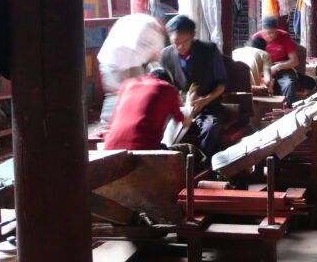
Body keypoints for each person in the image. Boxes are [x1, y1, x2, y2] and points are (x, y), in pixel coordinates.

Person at [160, 15, 231, 156]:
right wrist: (181, 107)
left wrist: (205, 100)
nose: (179, 47)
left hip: (209, 106)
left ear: (193, 35)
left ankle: (201, 164)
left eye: (184, 42)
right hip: (178, 109)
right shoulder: (166, 55)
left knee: (211, 128)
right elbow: (164, 88)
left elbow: (223, 83)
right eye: (175, 42)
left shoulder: (209, 50)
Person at [97, 13, 165, 123]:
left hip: (129, 62)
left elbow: (154, 53)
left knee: (137, 92)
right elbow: (154, 54)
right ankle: (107, 125)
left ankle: (132, 122)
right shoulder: (149, 25)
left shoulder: (144, 22)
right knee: (117, 95)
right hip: (113, 61)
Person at [103, 68, 187, 151]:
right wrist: (189, 103)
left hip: (110, 149)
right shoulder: (168, 88)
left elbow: (113, 121)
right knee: (186, 150)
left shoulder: (128, 85)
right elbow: (182, 118)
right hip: (144, 150)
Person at [252, 16, 299, 104]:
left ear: (276, 30)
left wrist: (277, 67)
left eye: (273, 32)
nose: (270, 35)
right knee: (259, 87)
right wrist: (266, 73)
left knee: (288, 84)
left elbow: (294, 61)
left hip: (283, 69)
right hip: (262, 70)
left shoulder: (284, 36)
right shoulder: (257, 37)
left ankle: (287, 109)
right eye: (268, 33)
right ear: (263, 30)